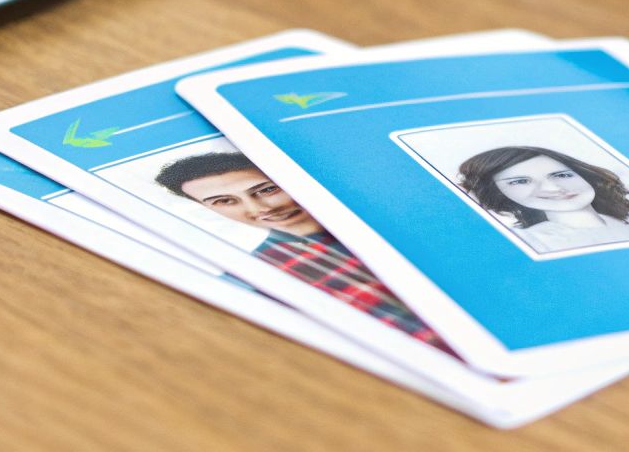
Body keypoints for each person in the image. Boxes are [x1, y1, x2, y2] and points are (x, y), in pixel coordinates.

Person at [154, 150, 450, 350]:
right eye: (223, 201)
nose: (260, 209)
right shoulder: (256, 276)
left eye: (267, 189)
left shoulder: (397, 219)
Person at [456, 145, 629, 254]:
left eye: (561, 174)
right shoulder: (535, 243)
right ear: (500, 194)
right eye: (521, 181)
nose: (553, 187)